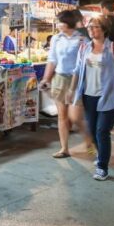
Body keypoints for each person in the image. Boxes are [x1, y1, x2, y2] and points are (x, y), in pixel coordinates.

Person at [71, 16, 114, 181]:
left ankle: (102, 166)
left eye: (95, 27)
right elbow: (77, 70)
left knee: (102, 131)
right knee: (91, 130)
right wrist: (72, 90)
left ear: (104, 29)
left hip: (110, 95)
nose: (91, 29)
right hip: (89, 96)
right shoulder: (84, 48)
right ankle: (101, 155)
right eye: (89, 27)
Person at [39, 9, 92, 158]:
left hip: (76, 81)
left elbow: (86, 63)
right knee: (62, 116)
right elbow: (52, 60)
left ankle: (89, 142)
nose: (58, 25)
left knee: (75, 117)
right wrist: (46, 79)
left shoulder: (82, 39)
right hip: (59, 79)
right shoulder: (56, 39)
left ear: (68, 23)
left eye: (60, 22)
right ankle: (64, 148)